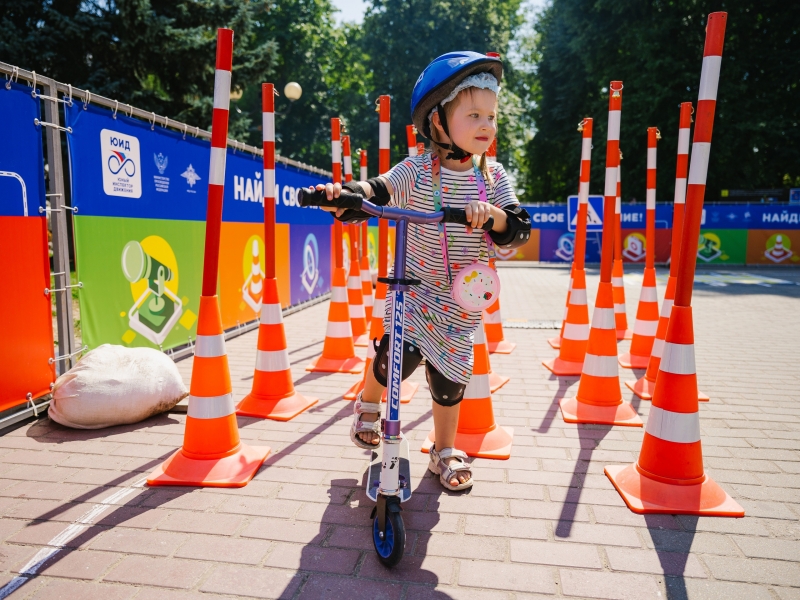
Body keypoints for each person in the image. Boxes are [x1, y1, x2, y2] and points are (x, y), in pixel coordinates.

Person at [314, 52, 531, 490]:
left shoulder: (493, 178)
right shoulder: (416, 170)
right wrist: (345, 195)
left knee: (451, 381)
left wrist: (492, 216)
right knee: (398, 355)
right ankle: (368, 405)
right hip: (413, 292)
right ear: (437, 122)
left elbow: (518, 228)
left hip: (460, 303)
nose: (486, 124)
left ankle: (443, 450)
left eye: (491, 115)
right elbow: (377, 189)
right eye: (473, 114)